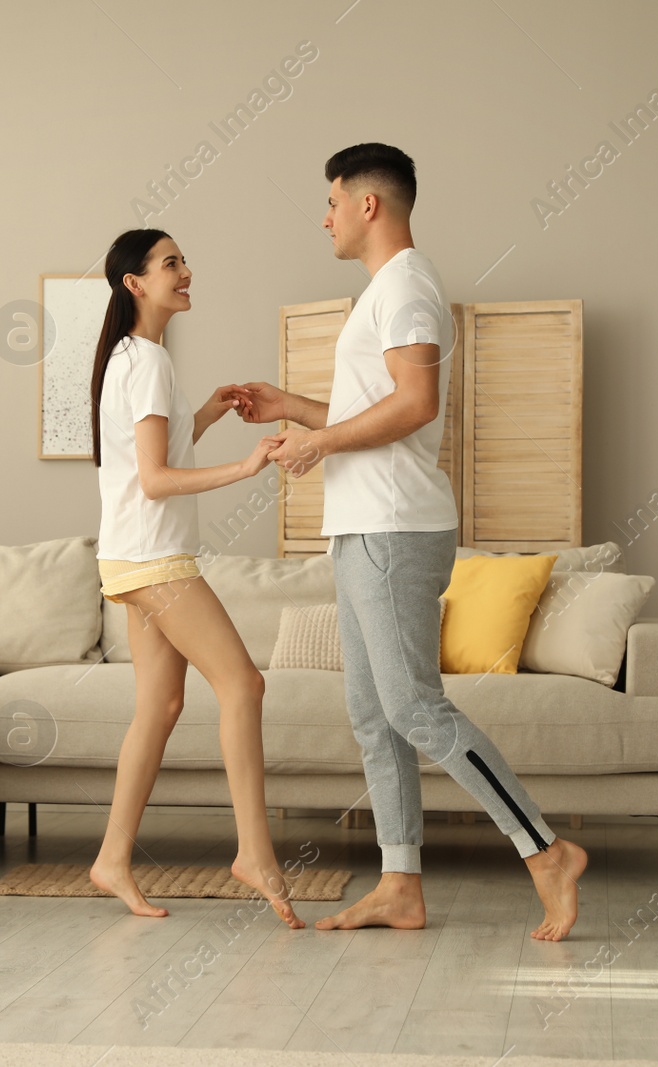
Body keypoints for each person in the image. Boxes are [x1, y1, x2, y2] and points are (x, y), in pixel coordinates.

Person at [235, 145, 588, 941]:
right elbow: (379, 402)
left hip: (396, 527)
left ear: (369, 205)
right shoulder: (382, 293)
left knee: (412, 706)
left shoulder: (407, 287)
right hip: (365, 526)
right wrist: (290, 405)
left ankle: (546, 850)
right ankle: (401, 883)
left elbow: (417, 403)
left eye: (331, 200)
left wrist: (317, 447)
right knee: (373, 712)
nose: (322, 216)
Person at [88, 228, 304, 929]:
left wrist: (207, 412)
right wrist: (246, 467)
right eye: (171, 263)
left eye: (182, 260)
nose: (186, 271)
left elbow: (150, 456)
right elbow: (155, 481)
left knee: (161, 706)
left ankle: (112, 858)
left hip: (130, 556)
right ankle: (254, 851)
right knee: (243, 683)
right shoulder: (145, 361)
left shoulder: (133, 358)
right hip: (156, 558)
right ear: (135, 284)